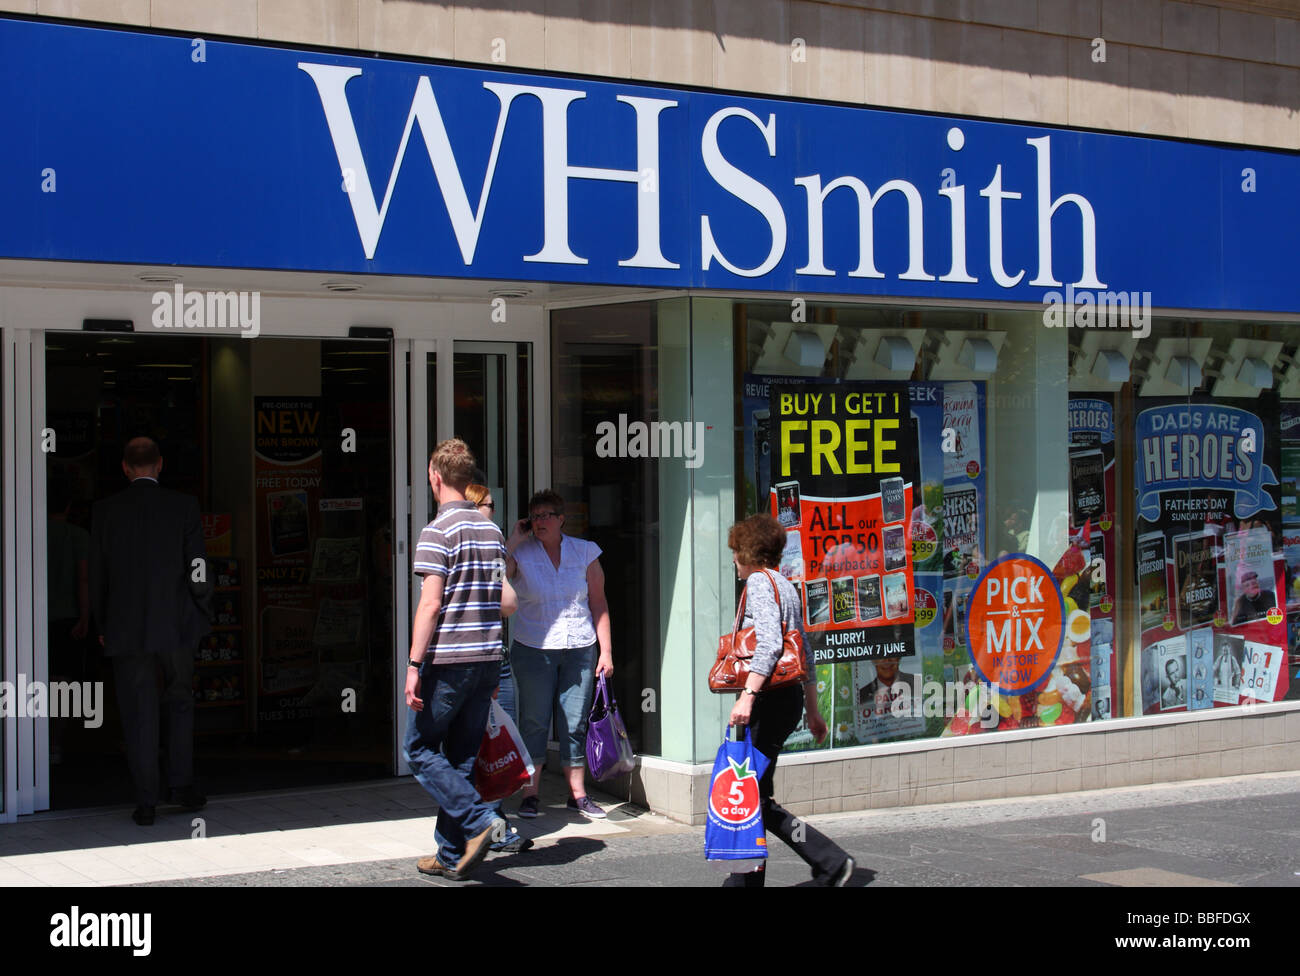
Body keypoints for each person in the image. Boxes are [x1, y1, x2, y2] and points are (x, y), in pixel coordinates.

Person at [725, 514, 854, 887]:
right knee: (755, 796)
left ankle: (831, 861)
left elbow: (770, 647)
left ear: (748, 552)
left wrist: (747, 696)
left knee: (748, 794)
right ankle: (820, 864)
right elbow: (805, 655)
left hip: (767, 701)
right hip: (786, 699)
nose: (734, 559)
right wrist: (812, 709)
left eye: (736, 551)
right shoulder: (785, 585)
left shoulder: (759, 585)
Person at [405, 439, 513, 880]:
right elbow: (500, 600)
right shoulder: (493, 531)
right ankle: (451, 854)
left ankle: (478, 821)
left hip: (449, 661)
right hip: (487, 656)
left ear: (435, 476)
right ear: (468, 480)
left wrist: (413, 666)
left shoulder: (437, 531)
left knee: (418, 748)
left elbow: (430, 605)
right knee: (463, 757)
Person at [90, 437, 211, 825]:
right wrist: (202, 608)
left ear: (125, 468)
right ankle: (182, 783)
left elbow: (98, 574)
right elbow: (197, 566)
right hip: (176, 621)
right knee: (179, 700)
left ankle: (146, 800)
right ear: (160, 464)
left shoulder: (106, 511)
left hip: (125, 625)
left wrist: (103, 622)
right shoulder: (183, 506)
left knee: (138, 709)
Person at [505, 489, 613, 820]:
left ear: (561, 519)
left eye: (546, 515)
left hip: (580, 647)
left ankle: (578, 795)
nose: (539, 522)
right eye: (534, 516)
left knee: (574, 721)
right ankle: (530, 793)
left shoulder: (584, 553)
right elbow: (495, 577)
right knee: (534, 721)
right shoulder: (521, 554)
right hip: (534, 648)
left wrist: (605, 651)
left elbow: (598, 602)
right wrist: (512, 540)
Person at [465, 481, 532, 854]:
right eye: (490, 503)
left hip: (495, 659)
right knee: (482, 745)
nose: (494, 508)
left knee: (495, 743)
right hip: (480, 660)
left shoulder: (490, 545)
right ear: (477, 506)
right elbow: (508, 601)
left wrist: (510, 544)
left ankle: (490, 822)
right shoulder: (472, 550)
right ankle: (488, 826)